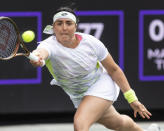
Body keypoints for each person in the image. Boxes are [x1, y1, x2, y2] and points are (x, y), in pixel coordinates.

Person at [30, 6, 160, 131]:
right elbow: (41, 52)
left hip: (101, 84)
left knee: (80, 123)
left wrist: (132, 99)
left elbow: (114, 69)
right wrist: (37, 57)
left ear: (75, 26)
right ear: (53, 27)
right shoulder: (49, 45)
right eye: (59, 23)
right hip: (78, 94)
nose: (64, 28)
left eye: (68, 23)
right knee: (117, 123)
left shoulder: (91, 42)